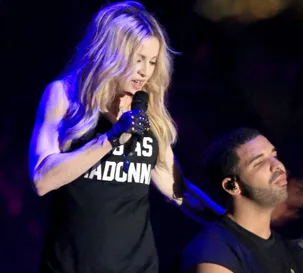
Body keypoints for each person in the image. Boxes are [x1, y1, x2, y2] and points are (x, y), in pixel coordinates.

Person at [28, 2, 223, 272]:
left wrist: (232, 227)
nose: (145, 71)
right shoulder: (64, 96)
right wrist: (110, 139)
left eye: (152, 62)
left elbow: (179, 190)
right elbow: (42, 179)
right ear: (112, 53)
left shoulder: (148, 110)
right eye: (138, 59)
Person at [180, 128, 303, 273]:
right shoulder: (213, 252)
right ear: (232, 186)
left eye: (274, 155)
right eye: (259, 162)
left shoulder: (292, 251)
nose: (277, 166)